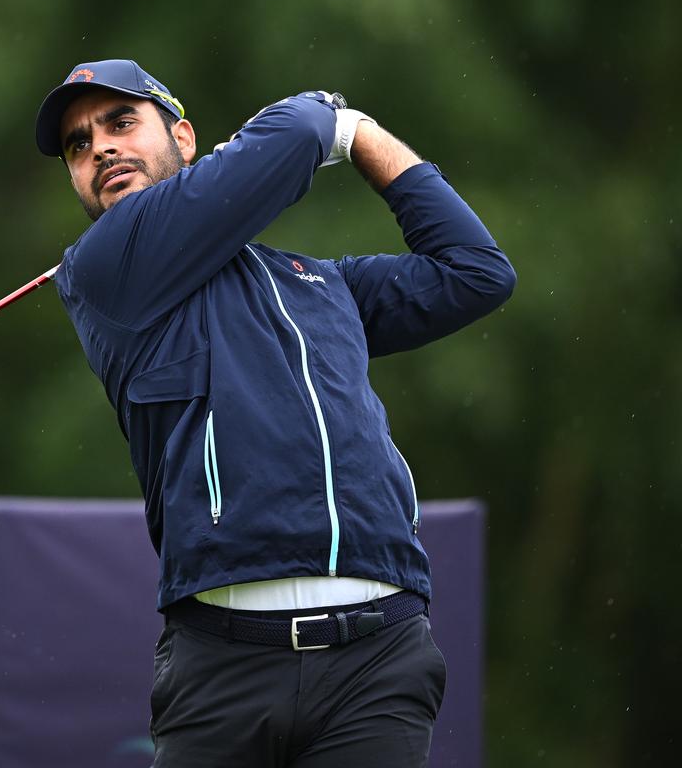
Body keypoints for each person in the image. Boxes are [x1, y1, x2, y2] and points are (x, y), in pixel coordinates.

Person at [34, 59, 516, 766]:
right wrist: (336, 117)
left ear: (186, 139)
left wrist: (369, 139)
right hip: (222, 665)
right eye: (79, 144)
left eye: (121, 122)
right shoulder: (105, 271)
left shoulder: (321, 284)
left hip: (378, 657)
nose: (99, 147)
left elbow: (475, 272)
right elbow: (298, 127)